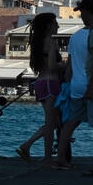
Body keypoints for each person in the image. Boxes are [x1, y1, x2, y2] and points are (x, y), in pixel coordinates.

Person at [58, 0, 93, 170]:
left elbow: (69, 66)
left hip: (76, 85)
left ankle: (61, 157)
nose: (81, 16)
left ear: (88, 12)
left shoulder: (75, 37)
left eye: (82, 12)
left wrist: (67, 85)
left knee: (71, 122)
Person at [16, 12, 62, 165]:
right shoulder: (50, 42)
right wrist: (66, 64)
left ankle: (27, 145)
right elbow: (52, 66)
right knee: (51, 123)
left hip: (41, 82)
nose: (58, 26)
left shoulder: (37, 42)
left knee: (55, 122)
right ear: (49, 26)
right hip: (50, 83)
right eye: (55, 23)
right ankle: (47, 157)